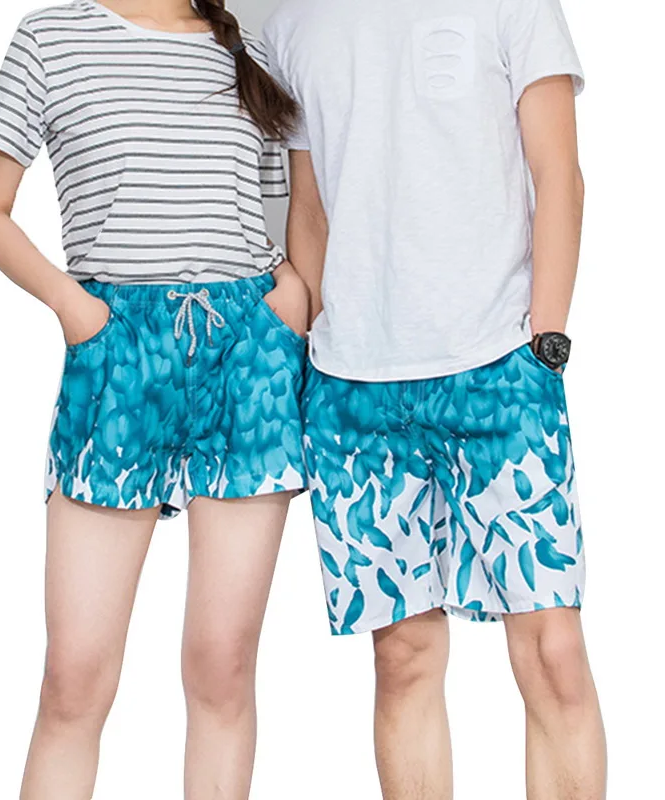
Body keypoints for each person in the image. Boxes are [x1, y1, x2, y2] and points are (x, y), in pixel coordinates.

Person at [263, 0, 606, 797]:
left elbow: (560, 173)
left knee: (552, 649)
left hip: (498, 371)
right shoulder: (291, 23)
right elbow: (308, 208)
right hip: (352, 390)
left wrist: (547, 343)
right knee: (403, 657)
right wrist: (311, 355)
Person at [0, 1, 309, 797]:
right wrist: (75, 308)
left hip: (247, 355)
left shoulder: (250, 48)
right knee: (75, 677)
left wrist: (288, 300)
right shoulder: (51, 36)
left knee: (222, 666)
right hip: (118, 349)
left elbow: (279, 207)